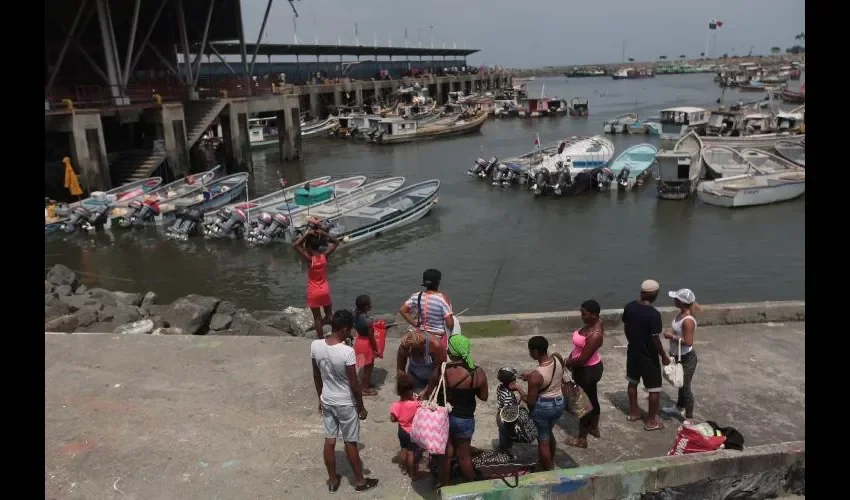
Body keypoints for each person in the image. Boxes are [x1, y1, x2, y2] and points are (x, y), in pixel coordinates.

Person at [310, 310, 379, 493]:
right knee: (350, 442)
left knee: (329, 440)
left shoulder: (315, 345)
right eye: (349, 331)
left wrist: (320, 397)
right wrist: (361, 407)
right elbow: (355, 384)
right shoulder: (347, 352)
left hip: (327, 399)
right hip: (345, 403)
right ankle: (359, 481)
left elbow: (316, 375)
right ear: (345, 330)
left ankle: (332, 481)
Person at [435, 335, 488, 487]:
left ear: (450, 352)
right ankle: (472, 486)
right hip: (465, 419)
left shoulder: (443, 369)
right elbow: (484, 397)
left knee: (446, 452)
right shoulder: (477, 372)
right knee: (464, 455)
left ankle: (443, 485)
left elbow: (434, 389)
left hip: (445, 417)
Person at [623, 279, 671, 431]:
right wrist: (663, 355)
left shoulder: (629, 307)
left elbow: (626, 327)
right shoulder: (654, 315)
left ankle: (634, 413)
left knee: (632, 382)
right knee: (654, 389)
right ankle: (651, 421)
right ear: (656, 295)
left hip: (633, 352)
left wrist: (632, 342)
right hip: (648, 357)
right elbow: (655, 338)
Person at [519, 335, 565, 471]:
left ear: (535, 352)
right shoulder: (557, 358)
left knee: (542, 440)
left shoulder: (536, 375)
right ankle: (549, 460)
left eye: (530, 351)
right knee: (549, 433)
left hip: (544, 407)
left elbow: (531, 402)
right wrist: (531, 376)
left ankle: (549, 470)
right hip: (559, 403)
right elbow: (551, 377)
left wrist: (520, 390)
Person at [563, 300, 605, 448]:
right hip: (590, 368)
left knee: (583, 405)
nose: (582, 316)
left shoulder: (595, 335)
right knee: (592, 398)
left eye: (584, 314)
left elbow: (582, 360)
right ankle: (594, 428)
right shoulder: (594, 323)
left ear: (594, 315)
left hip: (587, 371)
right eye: (581, 313)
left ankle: (582, 439)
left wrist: (566, 362)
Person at [662, 288, 700, 425]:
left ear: (682, 302)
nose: (674, 300)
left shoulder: (688, 320)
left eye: (676, 299)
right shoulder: (681, 315)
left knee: (685, 387)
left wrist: (670, 336)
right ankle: (679, 407)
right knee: (680, 383)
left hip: (687, 358)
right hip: (678, 356)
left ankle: (689, 417)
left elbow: (688, 342)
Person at [295, 227, 340, 339]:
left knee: (317, 318)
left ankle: (320, 339)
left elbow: (296, 245)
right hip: (324, 290)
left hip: (313, 292)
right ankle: (337, 335)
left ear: (309, 246)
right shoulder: (324, 257)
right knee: (330, 315)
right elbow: (336, 242)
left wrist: (306, 234)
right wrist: (324, 233)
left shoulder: (310, 260)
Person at [399, 269, 455, 351]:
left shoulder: (416, 296)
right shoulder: (442, 299)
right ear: (438, 282)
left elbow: (403, 310)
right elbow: (450, 324)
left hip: (421, 334)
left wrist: (416, 324)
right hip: (438, 336)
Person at [390, 373, 429, 480]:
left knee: (403, 449)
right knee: (411, 453)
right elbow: (423, 409)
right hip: (412, 432)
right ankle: (413, 474)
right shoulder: (415, 404)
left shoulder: (395, 405)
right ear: (410, 391)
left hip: (401, 431)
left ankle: (404, 468)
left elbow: (393, 419)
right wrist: (416, 399)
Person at [396, 330, 446, 396]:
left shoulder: (436, 345)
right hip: (415, 377)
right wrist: (404, 391)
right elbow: (400, 370)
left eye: (415, 350)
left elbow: (438, 371)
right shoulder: (404, 347)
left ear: (422, 345)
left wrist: (427, 390)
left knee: (431, 400)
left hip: (434, 377)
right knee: (416, 400)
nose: (413, 352)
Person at [496, 366, 527, 452]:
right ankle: (505, 451)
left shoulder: (500, 387)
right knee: (506, 435)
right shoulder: (508, 396)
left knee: (502, 434)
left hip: (500, 414)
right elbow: (508, 410)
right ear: (512, 381)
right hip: (506, 419)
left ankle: (503, 447)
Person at [354, 295, 380, 396]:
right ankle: (365, 388)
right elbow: (371, 337)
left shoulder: (355, 315)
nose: (371, 305)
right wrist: (375, 349)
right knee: (368, 367)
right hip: (366, 344)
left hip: (359, 341)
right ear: (366, 307)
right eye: (369, 303)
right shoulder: (368, 321)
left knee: (364, 366)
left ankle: (365, 383)